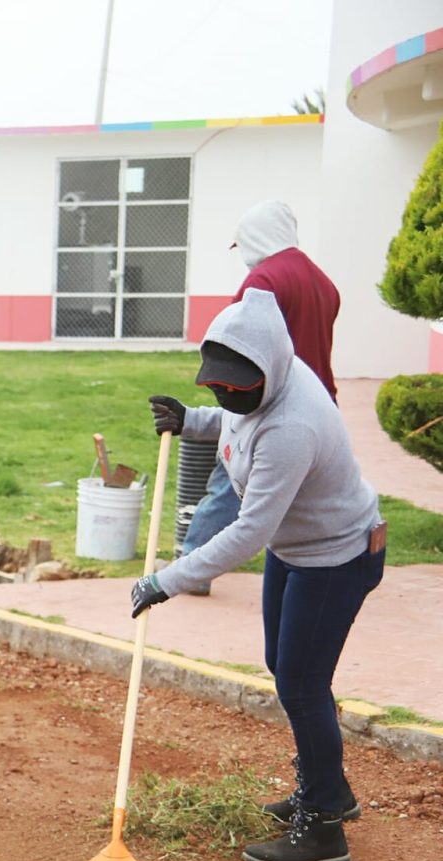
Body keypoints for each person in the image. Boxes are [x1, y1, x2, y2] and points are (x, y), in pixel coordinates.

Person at [136, 288, 383, 861]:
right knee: (287, 667)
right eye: (214, 385)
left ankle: (324, 828)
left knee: (300, 682)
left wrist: (166, 581)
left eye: (234, 388)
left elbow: (248, 531)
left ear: (267, 373)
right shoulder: (267, 383)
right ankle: (331, 791)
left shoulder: (293, 425)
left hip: (337, 557)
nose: (224, 393)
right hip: (297, 548)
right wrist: (192, 420)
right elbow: (235, 418)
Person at [181, 201, 341, 594]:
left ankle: (191, 566)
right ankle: (331, 559)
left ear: (254, 238)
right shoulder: (322, 282)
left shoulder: (263, 282)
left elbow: (234, 346)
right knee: (312, 494)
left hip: (267, 403)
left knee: (229, 483)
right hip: (320, 407)